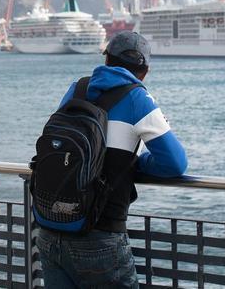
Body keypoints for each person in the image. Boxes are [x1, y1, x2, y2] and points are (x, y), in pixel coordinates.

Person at [35, 31, 188, 288]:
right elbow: (175, 164)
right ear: (145, 71)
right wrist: (136, 162)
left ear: (106, 60)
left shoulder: (77, 89)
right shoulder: (138, 99)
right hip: (100, 234)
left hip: (51, 228)